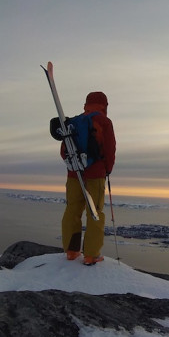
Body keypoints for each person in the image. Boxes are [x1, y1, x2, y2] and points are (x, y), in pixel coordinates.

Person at [61, 91, 116, 265]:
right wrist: (107, 169)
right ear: (105, 105)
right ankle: (91, 255)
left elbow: (64, 151)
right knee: (95, 212)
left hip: (74, 174)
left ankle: (71, 251)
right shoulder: (104, 122)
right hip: (95, 174)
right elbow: (109, 149)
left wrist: (74, 167)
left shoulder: (74, 122)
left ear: (86, 104)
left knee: (72, 210)